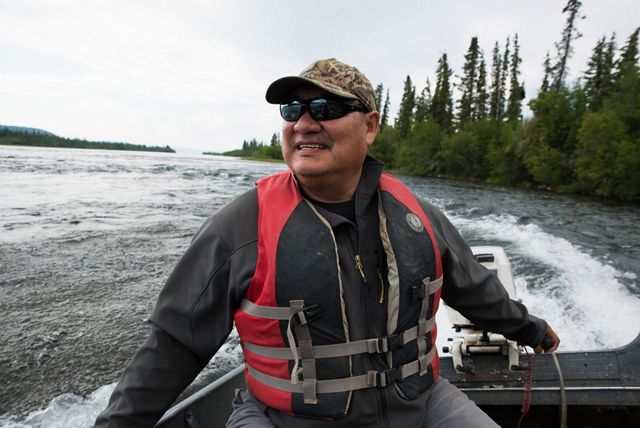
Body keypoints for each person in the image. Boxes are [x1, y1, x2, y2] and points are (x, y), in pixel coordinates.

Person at [95, 58, 560, 427]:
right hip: (287, 420)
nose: (304, 123)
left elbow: (474, 288)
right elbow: (174, 345)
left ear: (370, 126)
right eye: (293, 110)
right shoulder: (240, 227)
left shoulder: (417, 215)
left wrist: (531, 330)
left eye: (328, 109)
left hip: (419, 406)